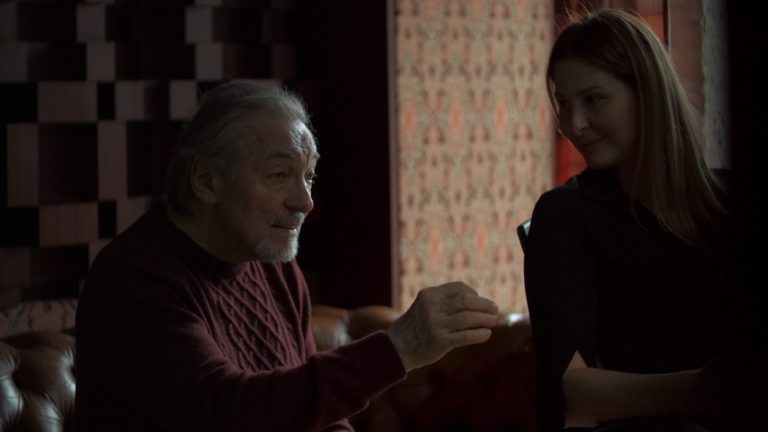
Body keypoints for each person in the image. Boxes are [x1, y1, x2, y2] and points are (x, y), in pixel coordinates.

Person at [74, 81, 500, 431]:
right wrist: (400, 347)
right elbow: (226, 412)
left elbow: (316, 417)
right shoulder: (135, 279)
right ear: (206, 180)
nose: (305, 201)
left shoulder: (273, 265)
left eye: (308, 176)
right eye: (280, 175)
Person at [523, 9, 751, 431]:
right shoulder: (566, 215)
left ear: (648, 92)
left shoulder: (733, 200)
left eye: (593, 100)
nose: (574, 124)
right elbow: (570, 391)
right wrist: (703, 389)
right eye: (564, 105)